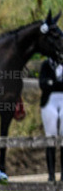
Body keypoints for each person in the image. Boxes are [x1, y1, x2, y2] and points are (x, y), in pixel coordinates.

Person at [39, 53, 63, 181]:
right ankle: (51, 174)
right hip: (49, 101)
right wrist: (56, 83)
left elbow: (48, 83)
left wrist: (52, 83)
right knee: (50, 135)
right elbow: (42, 84)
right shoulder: (46, 65)